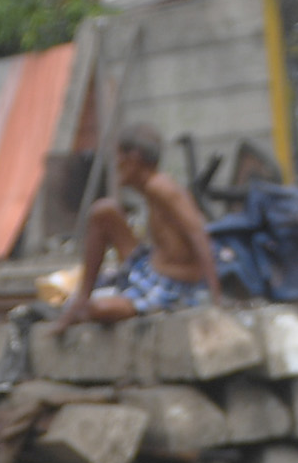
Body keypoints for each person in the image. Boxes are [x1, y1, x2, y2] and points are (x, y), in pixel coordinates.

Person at [59, 124, 221, 322]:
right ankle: (82, 299)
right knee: (104, 211)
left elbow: (198, 233)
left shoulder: (161, 187)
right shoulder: (151, 190)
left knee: (98, 310)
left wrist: (216, 298)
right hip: (148, 266)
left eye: (119, 157)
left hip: (169, 284)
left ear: (134, 158)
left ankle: (87, 307)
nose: (117, 165)